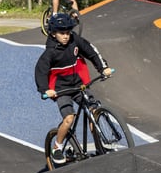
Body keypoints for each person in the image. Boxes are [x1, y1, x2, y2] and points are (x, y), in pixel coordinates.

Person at [34, 12, 113, 164]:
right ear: (53, 33)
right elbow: (40, 71)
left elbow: (90, 50)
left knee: (93, 111)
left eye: (68, 32)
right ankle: (57, 146)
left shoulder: (74, 40)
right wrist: (45, 90)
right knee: (69, 118)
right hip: (61, 89)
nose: (66, 36)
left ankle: (100, 146)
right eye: (62, 33)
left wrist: (103, 68)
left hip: (78, 85)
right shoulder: (50, 52)